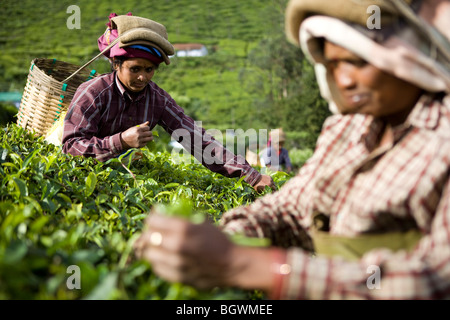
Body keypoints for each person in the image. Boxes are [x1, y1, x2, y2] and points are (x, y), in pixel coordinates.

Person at [134, 0, 450, 300]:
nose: (344, 80)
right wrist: (226, 238)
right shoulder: (347, 130)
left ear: (408, 55)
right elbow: (292, 208)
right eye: (333, 63)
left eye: (357, 62)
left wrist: (251, 266)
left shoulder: (442, 139)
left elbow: (434, 280)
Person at [62, 13, 275, 193]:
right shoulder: (94, 92)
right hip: (80, 182)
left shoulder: (157, 99)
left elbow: (198, 140)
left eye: (149, 70)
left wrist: (251, 176)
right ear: (116, 64)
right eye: (135, 69)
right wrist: (121, 141)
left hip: (125, 183)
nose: (143, 78)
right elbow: (70, 147)